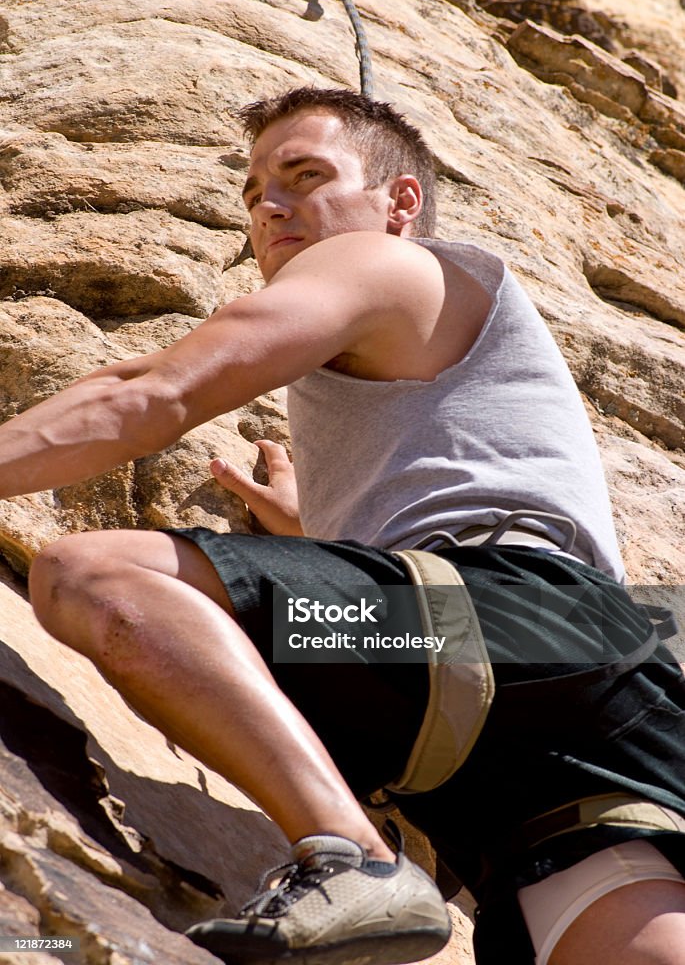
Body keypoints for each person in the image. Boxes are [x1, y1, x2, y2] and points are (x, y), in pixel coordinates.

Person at [1, 86, 682, 965]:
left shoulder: (380, 262)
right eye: (251, 193)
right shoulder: (424, 339)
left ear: (399, 203)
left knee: (98, 575)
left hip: (514, 625)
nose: (269, 204)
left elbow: (150, 396)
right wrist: (328, 539)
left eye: (304, 173)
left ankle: (351, 858)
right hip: (592, 710)